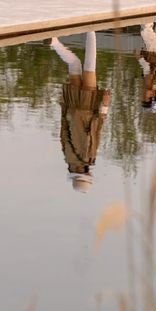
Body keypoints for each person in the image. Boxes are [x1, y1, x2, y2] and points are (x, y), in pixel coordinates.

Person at [51, 32, 110, 193]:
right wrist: (64, 109)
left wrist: (104, 107)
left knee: (90, 67)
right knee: (75, 65)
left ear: (84, 172)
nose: (90, 170)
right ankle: (54, 43)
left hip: (87, 107)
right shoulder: (67, 156)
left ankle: (91, 30)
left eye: (88, 173)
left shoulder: (88, 157)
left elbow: (95, 131)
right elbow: (63, 132)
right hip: (71, 107)